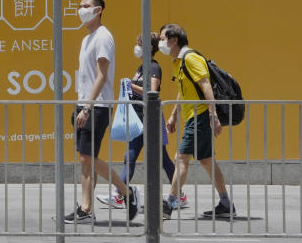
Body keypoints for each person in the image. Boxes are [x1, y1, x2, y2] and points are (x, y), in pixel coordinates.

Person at [64, 0, 139, 224]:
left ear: (98, 10)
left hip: (95, 107)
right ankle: (85, 208)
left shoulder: (103, 36)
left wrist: (87, 107)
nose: (81, 10)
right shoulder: (87, 38)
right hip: (84, 104)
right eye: (80, 6)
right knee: (86, 158)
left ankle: (125, 192)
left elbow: (102, 75)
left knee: (88, 158)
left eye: (86, 6)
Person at [96, 32, 185, 210]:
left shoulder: (153, 67)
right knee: (129, 157)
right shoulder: (141, 68)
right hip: (138, 119)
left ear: (149, 48)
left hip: (151, 119)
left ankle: (179, 195)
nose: (137, 48)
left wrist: (130, 85)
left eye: (140, 44)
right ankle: (119, 195)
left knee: (163, 159)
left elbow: (152, 92)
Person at [160, 23, 236, 218]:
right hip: (193, 117)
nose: (160, 43)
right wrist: (174, 115)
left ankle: (169, 204)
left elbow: (206, 86)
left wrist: (213, 116)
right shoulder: (178, 61)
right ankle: (226, 204)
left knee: (181, 158)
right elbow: (183, 91)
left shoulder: (190, 58)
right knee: (207, 161)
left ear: (173, 40)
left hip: (200, 116)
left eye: (162, 39)